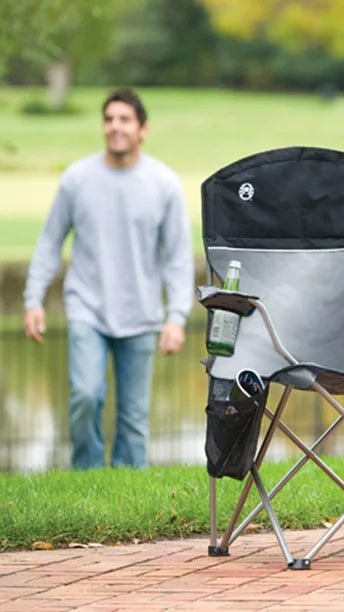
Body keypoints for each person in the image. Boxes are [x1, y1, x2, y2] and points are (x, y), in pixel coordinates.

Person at [23, 88, 194, 470]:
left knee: (134, 417)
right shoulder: (76, 179)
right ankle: (87, 476)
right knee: (85, 395)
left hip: (142, 313)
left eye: (124, 119)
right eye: (109, 119)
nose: (115, 126)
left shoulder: (163, 184)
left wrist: (177, 317)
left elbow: (178, 259)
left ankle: (127, 485)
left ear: (143, 129)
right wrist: (34, 299)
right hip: (87, 307)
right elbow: (50, 242)